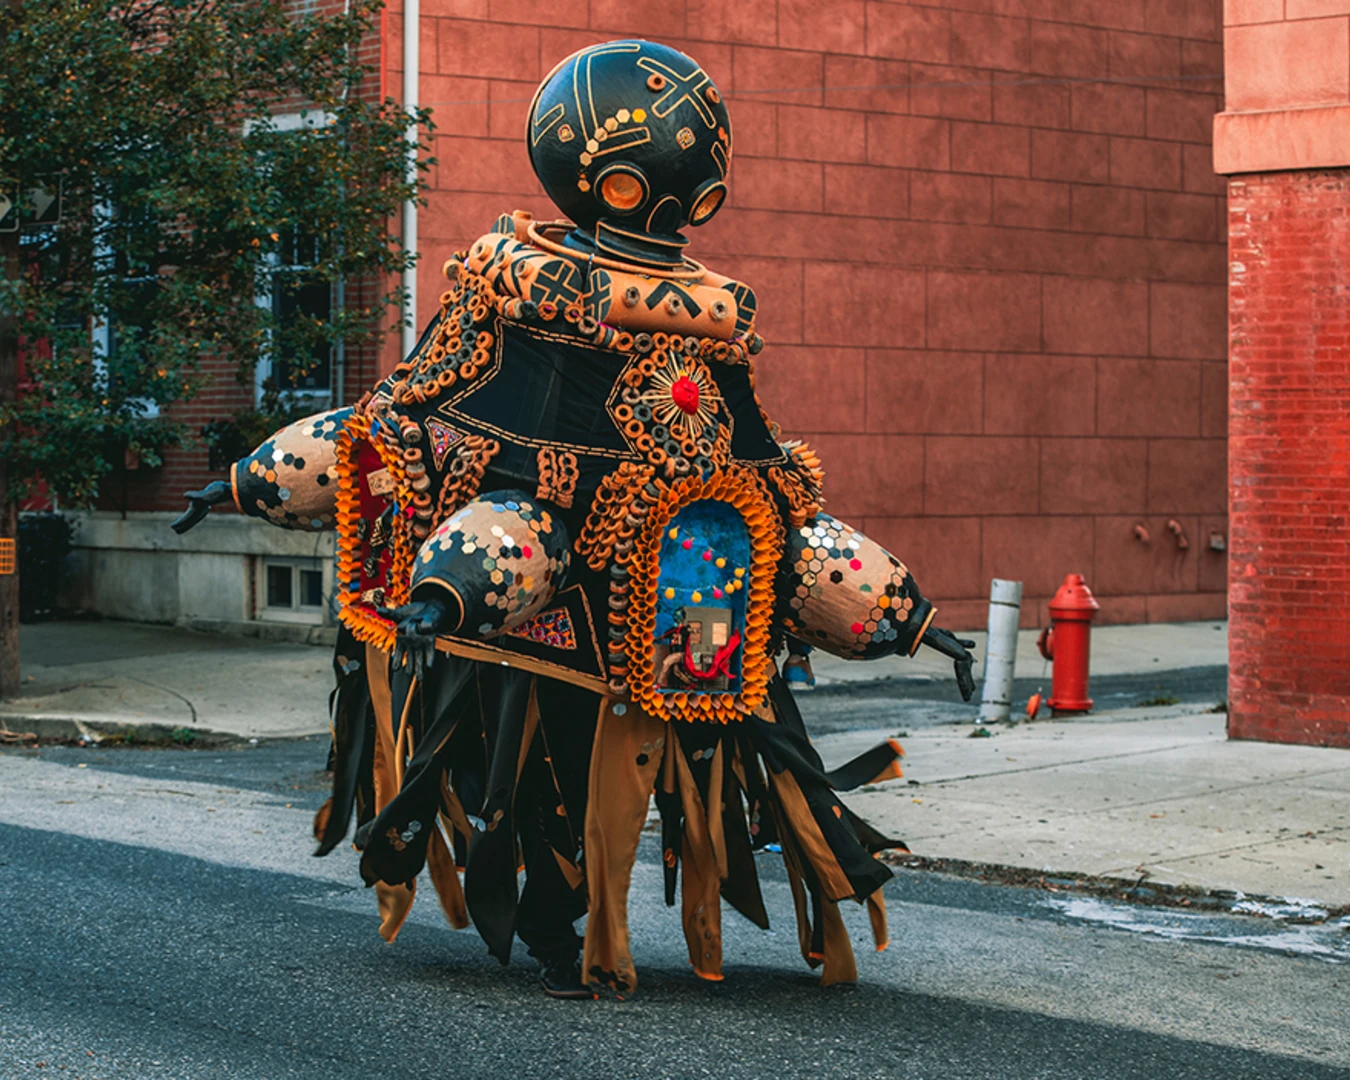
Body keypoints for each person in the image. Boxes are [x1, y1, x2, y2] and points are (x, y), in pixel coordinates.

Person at [174, 38, 977, 996]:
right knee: (546, 766)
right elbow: (396, 423)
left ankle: (565, 923)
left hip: (678, 582)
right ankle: (560, 929)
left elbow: (778, 490)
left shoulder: (711, 322)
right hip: (547, 583)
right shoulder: (515, 291)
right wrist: (252, 488)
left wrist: (913, 619)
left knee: (592, 762)